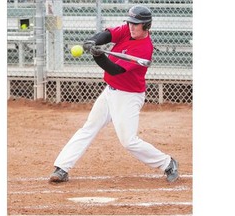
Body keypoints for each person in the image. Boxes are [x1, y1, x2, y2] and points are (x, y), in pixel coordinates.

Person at [49, 5, 179, 183]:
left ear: (146, 26)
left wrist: (98, 57)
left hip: (128, 96)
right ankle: (62, 167)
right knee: (89, 127)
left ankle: (168, 163)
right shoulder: (128, 30)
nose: (131, 27)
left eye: (136, 24)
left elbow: (115, 70)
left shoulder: (144, 48)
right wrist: (94, 41)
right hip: (110, 92)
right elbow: (109, 34)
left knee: (129, 141)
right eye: (130, 23)